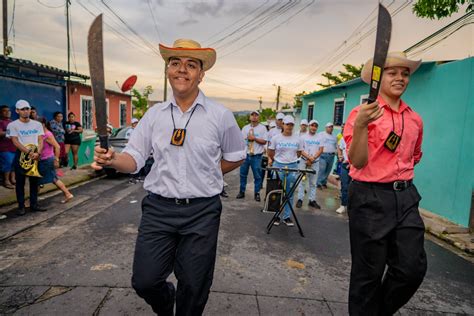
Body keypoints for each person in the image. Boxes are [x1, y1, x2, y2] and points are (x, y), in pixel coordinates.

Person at [92, 38, 245, 316]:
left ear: (201, 73)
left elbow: (236, 155)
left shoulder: (220, 115)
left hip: (202, 211)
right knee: (145, 281)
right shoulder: (154, 115)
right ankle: (165, 303)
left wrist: (208, 172)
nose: (182, 70)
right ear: (167, 71)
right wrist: (113, 159)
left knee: (194, 285)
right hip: (158, 209)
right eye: (175, 63)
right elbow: (135, 158)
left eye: (190, 64)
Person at [343, 52, 426, 314]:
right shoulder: (361, 113)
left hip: (406, 196)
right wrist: (361, 127)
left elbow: (414, 157)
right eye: (393, 72)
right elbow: (356, 161)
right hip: (369, 197)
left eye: (405, 73)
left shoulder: (415, 119)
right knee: (368, 274)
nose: (400, 78)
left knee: (411, 269)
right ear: (378, 79)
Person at [7, 100, 45, 215]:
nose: (25, 111)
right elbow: (15, 141)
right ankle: (21, 207)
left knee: (35, 182)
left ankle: (34, 205)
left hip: (36, 155)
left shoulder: (37, 124)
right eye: (22, 109)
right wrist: (29, 152)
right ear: (17, 111)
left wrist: (38, 152)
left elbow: (40, 139)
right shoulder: (12, 125)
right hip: (22, 155)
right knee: (20, 183)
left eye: (27, 109)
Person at [267, 115, 303, 227]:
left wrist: (291, 160)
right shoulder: (276, 138)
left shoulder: (298, 138)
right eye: (287, 124)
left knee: (289, 193)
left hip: (292, 166)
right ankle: (276, 215)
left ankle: (287, 217)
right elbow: (270, 152)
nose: (289, 127)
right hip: (278, 165)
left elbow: (299, 153)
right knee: (277, 191)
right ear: (283, 124)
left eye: (292, 124)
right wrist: (276, 160)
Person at [38, 118, 74, 203]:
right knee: (52, 179)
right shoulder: (42, 134)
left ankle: (68, 194)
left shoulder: (47, 134)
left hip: (47, 160)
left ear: (43, 124)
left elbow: (57, 146)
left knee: (40, 180)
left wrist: (56, 159)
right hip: (44, 160)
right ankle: (68, 194)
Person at [236, 110, 268, 201]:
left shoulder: (263, 128)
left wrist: (254, 138)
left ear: (259, 117)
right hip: (246, 155)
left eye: (256, 115)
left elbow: (264, 141)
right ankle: (242, 191)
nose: (254, 117)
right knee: (243, 174)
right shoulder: (245, 128)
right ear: (249, 117)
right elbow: (241, 141)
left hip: (256, 156)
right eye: (252, 115)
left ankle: (257, 193)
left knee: (257, 176)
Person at [296, 119, 323, 209]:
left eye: (315, 126)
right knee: (302, 181)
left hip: (315, 162)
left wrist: (313, 158)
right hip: (304, 162)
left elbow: (321, 150)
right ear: (309, 126)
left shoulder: (320, 137)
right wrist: (308, 157)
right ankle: (300, 199)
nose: (313, 127)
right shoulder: (303, 137)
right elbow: (300, 150)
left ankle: (312, 200)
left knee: (313, 183)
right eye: (312, 125)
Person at [316, 122, 337, 189]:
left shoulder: (334, 136)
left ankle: (324, 182)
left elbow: (336, 146)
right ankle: (318, 183)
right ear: (326, 128)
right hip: (323, 155)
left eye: (332, 127)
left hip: (331, 156)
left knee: (328, 170)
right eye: (329, 127)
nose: (331, 128)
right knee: (322, 169)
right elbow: (317, 143)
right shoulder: (321, 134)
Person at [0, 105, 16, 189]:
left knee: (13, 164)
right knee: (7, 163)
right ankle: (6, 181)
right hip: (4, 148)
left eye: (8, 111)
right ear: (1, 113)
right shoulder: (1, 122)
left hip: (13, 147)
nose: (7, 112)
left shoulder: (12, 122)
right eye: (4, 111)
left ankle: (13, 179)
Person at [335, 124, 350, 214]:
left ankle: (351, 207)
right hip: (345, 165)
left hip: (354, 167)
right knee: (344, 186)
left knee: (353, 188)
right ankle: (343, 205)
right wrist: (340, 156)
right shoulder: (343, 139)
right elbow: (340, 148)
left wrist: (352, 163)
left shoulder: (356, 139)